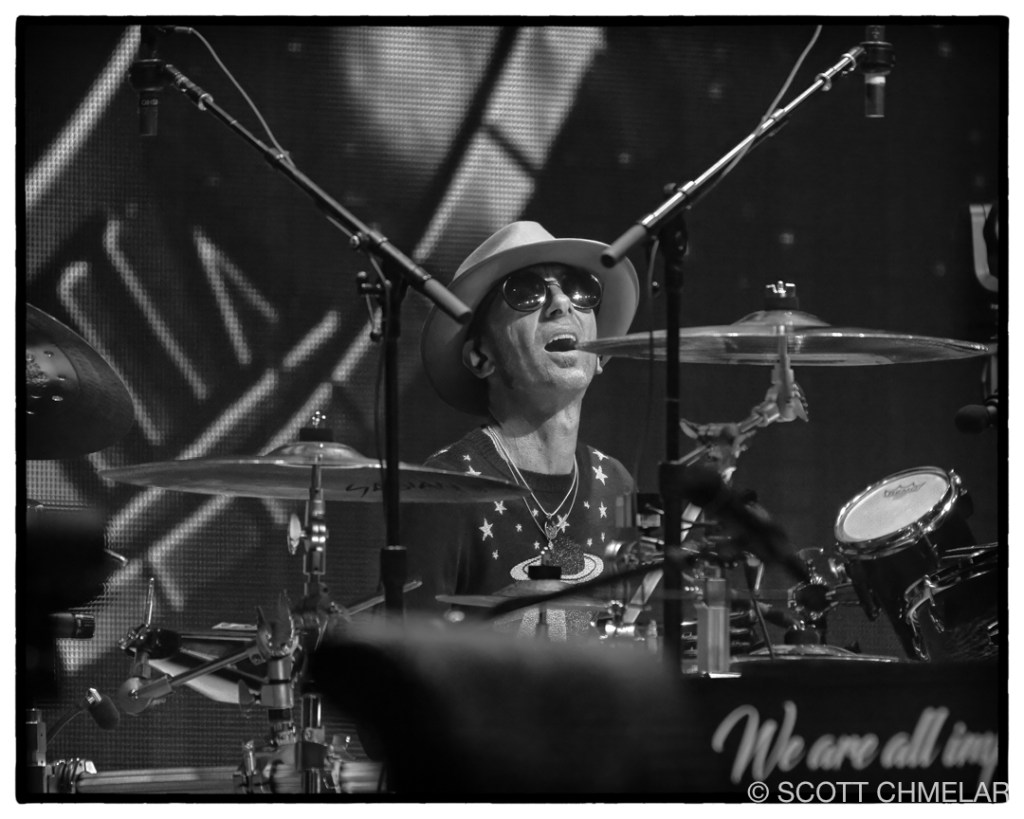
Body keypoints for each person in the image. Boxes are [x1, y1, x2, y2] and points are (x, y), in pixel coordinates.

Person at [404, 221, 640, 637]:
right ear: (481, 357)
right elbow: (408, 661)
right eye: (526, 291)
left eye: (579, 289)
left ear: (600, 354)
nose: (561, 303)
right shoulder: (445, 488)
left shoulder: (616, 484)